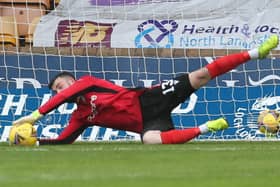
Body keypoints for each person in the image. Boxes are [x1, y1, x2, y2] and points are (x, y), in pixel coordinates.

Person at [13, 35, 279, 145]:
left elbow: (65, 96)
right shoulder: (80, 116)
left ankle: (256, 52)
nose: (60, 91)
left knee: (200, 75)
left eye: (61, 86)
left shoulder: (86, 82)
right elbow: (64, 140)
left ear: (71, 81)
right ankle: (207, 128)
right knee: (150, 140)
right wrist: (34, 140)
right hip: (148, 121)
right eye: (56, 90)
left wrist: (34, 116)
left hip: (150, 98)